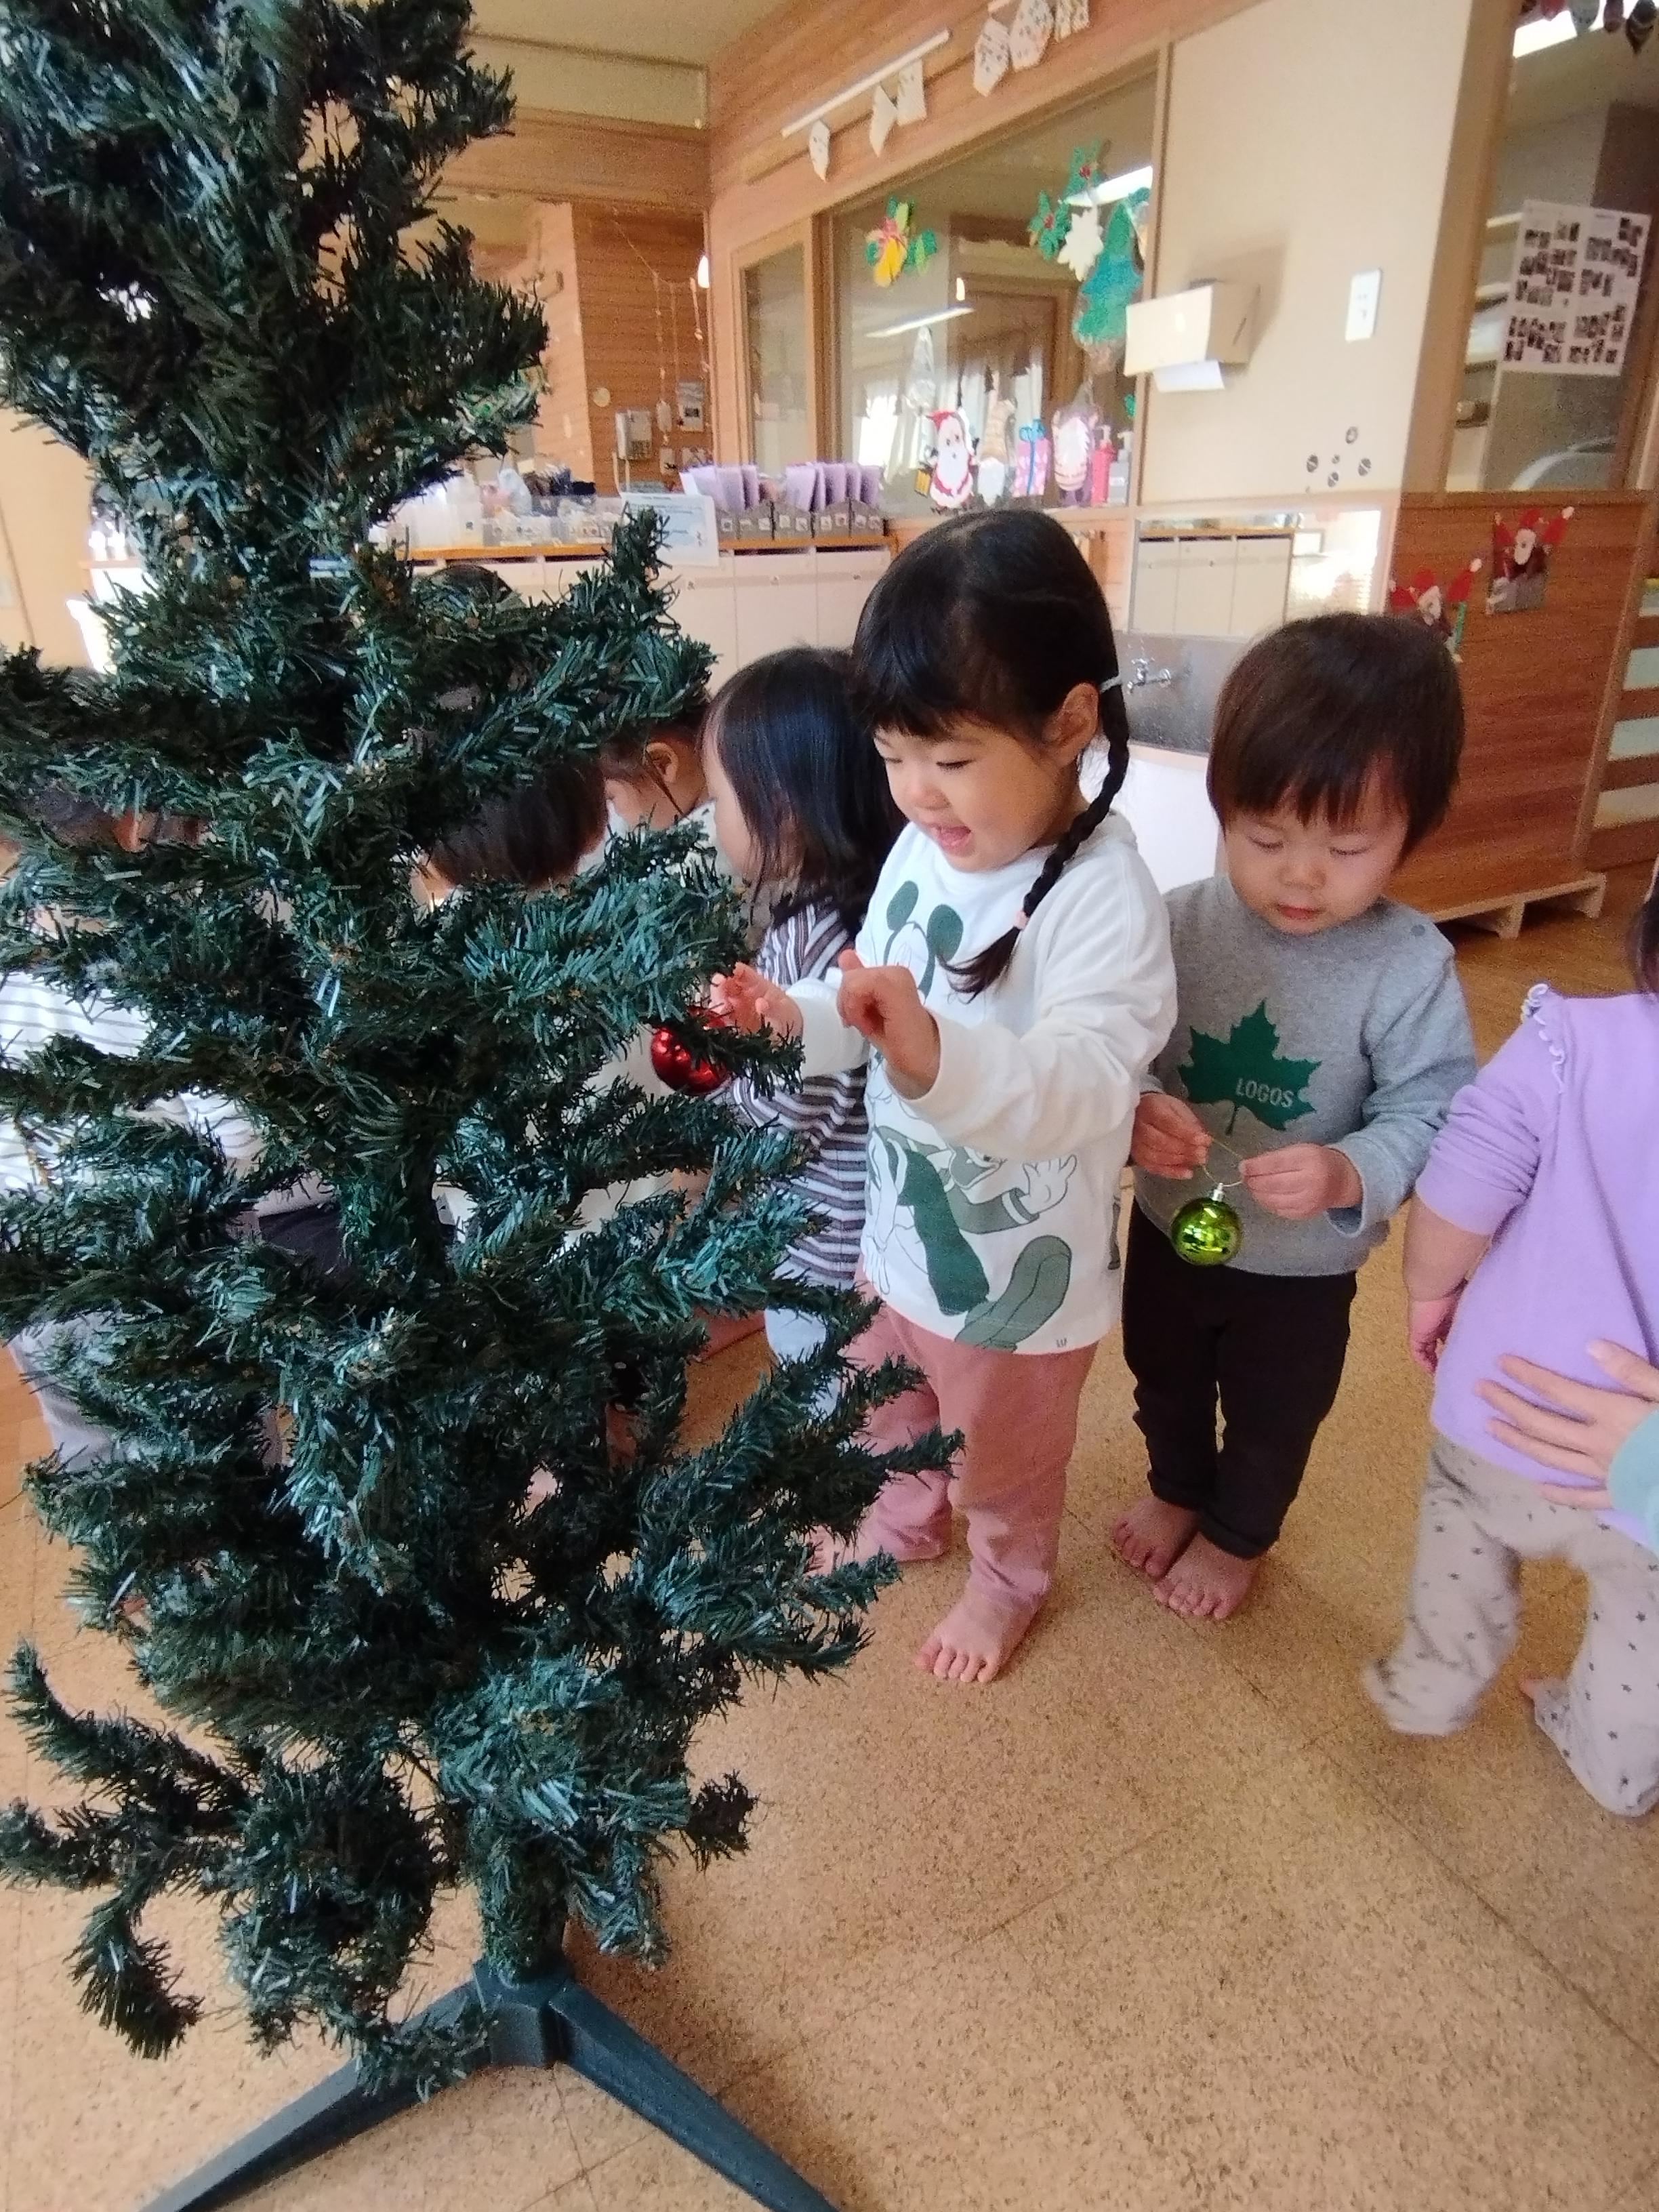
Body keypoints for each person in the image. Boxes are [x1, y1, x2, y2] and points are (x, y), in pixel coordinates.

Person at [713, 510, 1175, 1685]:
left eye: (952, 760)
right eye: (891, 757)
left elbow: (1085, 1084)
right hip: (895, 1239)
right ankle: (902, 1517)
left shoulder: (1103, 896)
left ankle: (1007, 1582)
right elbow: (867, 998)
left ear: (1068, 722)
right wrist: (799, 1020)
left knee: (1003, 1466)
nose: (917, 794)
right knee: (883, 1408)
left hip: (1015, 1294)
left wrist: (934, 1056)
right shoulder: (929, 849)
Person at [1115, 614, 1473, 1621]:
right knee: (1160, 1375)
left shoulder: (1408, 966)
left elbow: (1435, 1109)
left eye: (1348, 846)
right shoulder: (1178, 922)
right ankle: (1178, 1486)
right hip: (1169, 1226)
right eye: (1265, 838)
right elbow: (1123, 1042)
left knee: (1276, 1415)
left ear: (1412, 830)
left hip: (1302, 1272)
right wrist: (1137, 1103)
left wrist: (1350, 1169)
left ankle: (1238, 1536)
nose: (1302, 874)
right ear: (1223, 809)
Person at [1365, 869, 1659, 1815]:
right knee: (1646, 1633)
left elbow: (1462, 1187)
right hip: (1650, 1494)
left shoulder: (1571, 1043)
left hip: (1506, 1417)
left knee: (1464, 1531)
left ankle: (1430, 1687)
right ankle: (1616, 1766)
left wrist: (1429, 1292)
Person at [702, 648, 901, 1368]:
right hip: (865, 1236)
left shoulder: (810, 935)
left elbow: (791, 1123)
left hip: (826, 1248)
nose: (713, 818)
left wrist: (726, 1075)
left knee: (823, 1389)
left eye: (721, 799)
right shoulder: (873, 904)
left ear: (782, 808)